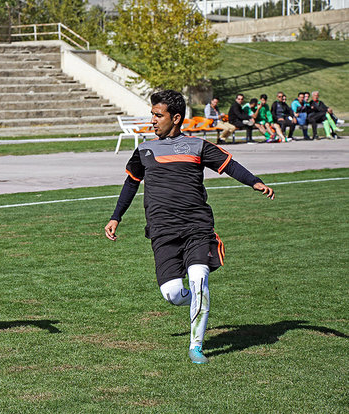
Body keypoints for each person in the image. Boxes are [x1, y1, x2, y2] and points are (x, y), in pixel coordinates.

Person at [104, 90, 275, 364]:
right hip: (162, 231)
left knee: (199, 281)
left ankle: (196, 346)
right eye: (152, 114)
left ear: (175, 118)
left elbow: (229, 165)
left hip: (197, 227)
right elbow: (131, 183)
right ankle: (198, 301)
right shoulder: (145, 150)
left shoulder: (197, 146)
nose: (153, 120)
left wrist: (254, 181)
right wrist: (116, 217)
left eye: (157, 115)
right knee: (172, 294)